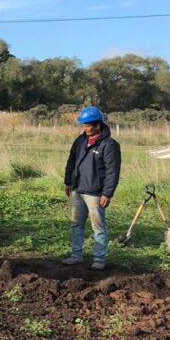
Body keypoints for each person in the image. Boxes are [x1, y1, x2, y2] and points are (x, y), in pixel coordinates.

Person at [62, 106, 121, 270]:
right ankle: (76, 255)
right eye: (84, 125)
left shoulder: (110, 145)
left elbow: (112, 171)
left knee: (98, 227)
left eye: (88, 126)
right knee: (76, 224)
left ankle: (99, 259)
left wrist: (107, 193)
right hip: (77, 189)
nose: (85, 128)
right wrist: (68, 182)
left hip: (95, 193)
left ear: (97, 125)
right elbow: (71, 161)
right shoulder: (80, 141)